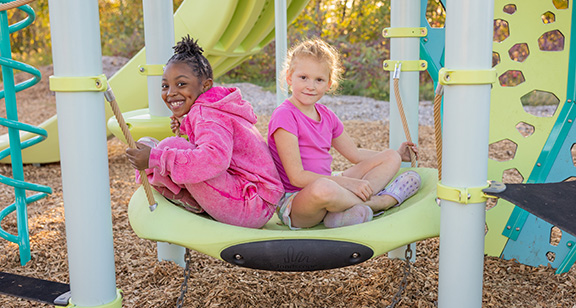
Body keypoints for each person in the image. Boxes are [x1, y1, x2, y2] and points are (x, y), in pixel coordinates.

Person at [125, 35, 284, 229]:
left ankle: (185, 197)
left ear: (205, 85)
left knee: (171, 147)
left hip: (250, 204)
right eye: (165, 85)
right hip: (259, 199)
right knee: (163, 147)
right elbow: (222, 138)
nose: (171, 92)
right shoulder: (213, 108)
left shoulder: (207, 114)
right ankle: (190, 198)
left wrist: (156, 159)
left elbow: (214, 158)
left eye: (181, 84)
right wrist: (186, 126)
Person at [268, 38, 421, 229]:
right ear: (289, 77)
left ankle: (340, 213)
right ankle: (382, 202)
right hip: (297, 202)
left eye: (319, 80)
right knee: (324, 188)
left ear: (329, 83)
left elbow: (355, 155)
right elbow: (297, 177)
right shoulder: (285, 116)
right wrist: (347, 183)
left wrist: (398, 155)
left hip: (333, 186)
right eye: (303, 77)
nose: (311, 86)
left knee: (389, 156)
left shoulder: (327, 116)